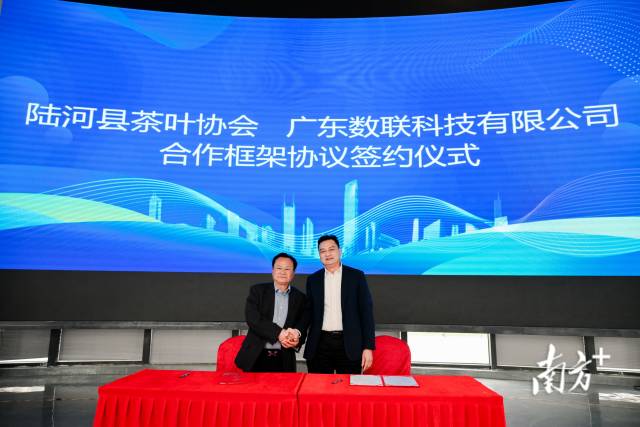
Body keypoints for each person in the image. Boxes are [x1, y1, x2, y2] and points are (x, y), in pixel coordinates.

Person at [304, 235, 375, 374]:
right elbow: (308, 312)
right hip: (320, 344)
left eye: (331, 249)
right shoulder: (313, 280)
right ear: (319, 255)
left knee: (348, 387)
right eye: (322, 251)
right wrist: (297, 333)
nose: (327, 254)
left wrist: (368, 347)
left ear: (340, 251)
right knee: (319, 386)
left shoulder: (356, 276)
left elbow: (366, 313)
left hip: (349, 344)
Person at [235, 253, 307, 372]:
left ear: (293, 273)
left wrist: (296, 340)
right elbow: (253, 319)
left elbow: (302, 324)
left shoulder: (300, 298)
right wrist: (279, 333)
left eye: (287, 269)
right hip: (256, 355)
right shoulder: (258, 291)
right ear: (272, 271)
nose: (282, 272)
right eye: (279, 268)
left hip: (284, 357)